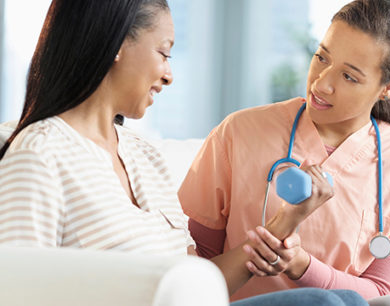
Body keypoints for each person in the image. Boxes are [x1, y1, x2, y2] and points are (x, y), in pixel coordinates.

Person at [0, 1, 369, 305]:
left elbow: (202, 287)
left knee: (346, 301)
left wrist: (287, 220)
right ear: (115, 46)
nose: (168, 75)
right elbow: (17, 289)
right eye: (163, 53)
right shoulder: (39, 152)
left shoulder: (144, 155)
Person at [178, 1, 390, 305]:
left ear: (387, 88)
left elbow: (381, 292)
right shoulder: (239, 132)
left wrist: (302, 266)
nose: (322, 83)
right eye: (321, 57)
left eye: (349, 76)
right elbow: (196, 266)